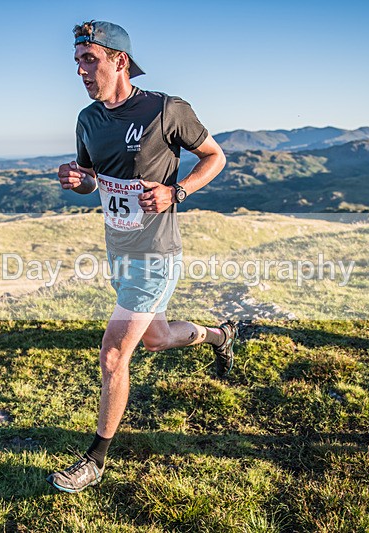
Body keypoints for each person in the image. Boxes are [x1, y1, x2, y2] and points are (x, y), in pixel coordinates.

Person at [46, 20, 237, 494]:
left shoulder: (166, 109)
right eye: (77, 61)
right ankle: (220, 336)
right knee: (155, 338)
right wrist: (79, 181)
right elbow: (95, 180)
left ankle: (95, 459)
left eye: (89, 59)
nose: (81, 70)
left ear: (119, 60)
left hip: (156, 253)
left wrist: (178, 191)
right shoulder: (87, 119)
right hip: (119, 251)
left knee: (114, 354)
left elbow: (215, 157)